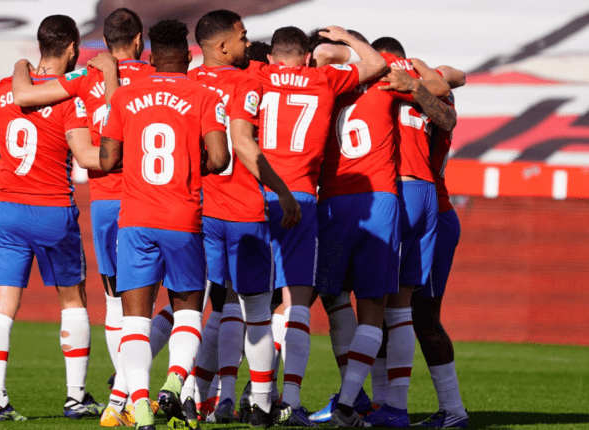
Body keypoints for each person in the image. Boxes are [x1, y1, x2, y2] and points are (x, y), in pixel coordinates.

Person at [10, 10, 176, 426]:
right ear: (139, 40)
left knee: (118, 304)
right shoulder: (156, 79)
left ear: (104, 39)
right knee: (176, 300)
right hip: (150, 201)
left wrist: (19, 65)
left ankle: (121, 400)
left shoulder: (86, 76)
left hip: (104, 203)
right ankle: (148, 395)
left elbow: (26, 97)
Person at [246, 25, 386, 426]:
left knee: (247, 304)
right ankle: (289, 398)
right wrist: (347, 40)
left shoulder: (259, 75)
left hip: (257, 196)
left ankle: (243, 395)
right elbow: (374, 64)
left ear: (273, 57)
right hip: (303, 197)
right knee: (298, 303)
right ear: (307, 57)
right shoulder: (323, 79)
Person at [99, 19, 230, 430]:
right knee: (188, 311)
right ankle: (175, 380)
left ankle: (138, 407)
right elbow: (221, 159)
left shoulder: (124, 97)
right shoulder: (204, 95)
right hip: (183, 217)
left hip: (135, 218)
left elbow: (106, 160)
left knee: (134, 320)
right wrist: (193, 165)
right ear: (189, 57)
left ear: (151, 57)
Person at [0, 14, 103, 422]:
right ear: (72, 49)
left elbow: (1, 148)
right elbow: (85, 155)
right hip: (52, 209)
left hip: (7, 209)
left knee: (2, 307)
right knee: (72, 301)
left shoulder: (4, 89)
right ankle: (75, 397)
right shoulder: (70, 98)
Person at [186, 9, 301, 428]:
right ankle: (263, 403)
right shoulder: (245, 81)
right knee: (257, 310)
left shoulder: (187, 82)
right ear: (221, 46)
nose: (248, 43)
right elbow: (244, 146)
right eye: (242, 36)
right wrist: (283, 191)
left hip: (198, 211)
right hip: (239, 209)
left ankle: (190, 395)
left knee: (206, 306)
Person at [358, 37, 452, 428]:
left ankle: (384, 403)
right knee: (401, 312)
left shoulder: (377, 86)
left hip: (397, 192)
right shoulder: (423, 87)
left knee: (389, 310)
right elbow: (450, 96)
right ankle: (389, 404)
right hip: (430, 196)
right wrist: (421, 77)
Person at [384, 60, 469, 428]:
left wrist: (418, 75)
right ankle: (383, 405)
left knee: (423, 317)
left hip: (433, 208)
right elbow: (454, 76)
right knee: (385, 310)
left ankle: (453, 411)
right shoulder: (422, 95)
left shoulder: (425, 105)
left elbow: (454, 79)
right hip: (415, 206)